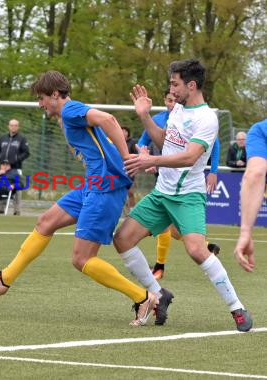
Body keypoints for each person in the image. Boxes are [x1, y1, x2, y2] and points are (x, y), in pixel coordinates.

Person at [0, 70, 161, 327]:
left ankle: (143, 298)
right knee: (45, 222)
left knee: (81, 259)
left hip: (105, 187)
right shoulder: (67, 117)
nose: (40, 104)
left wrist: (125, 156)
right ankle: (4, 279)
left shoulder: (71, 110)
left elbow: (108, 119)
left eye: (41, 98)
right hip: (92, 185)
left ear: (55, 94)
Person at [113, 59, 252, 332]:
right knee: (122, 240)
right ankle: (158, 293)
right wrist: (144, 116)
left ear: (191, 85)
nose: (171, 89)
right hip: (161, 193)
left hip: (188, 196)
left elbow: (189, 157)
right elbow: (166, 141)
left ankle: (237, 307)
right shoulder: (176, 109)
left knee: (197, 250)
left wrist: (149, 160)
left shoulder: (207, 118)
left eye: (175, 83)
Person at [137, 87, 221, 280]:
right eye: (168, 100)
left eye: (174, 100)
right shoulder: (160, 118)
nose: (171, 103)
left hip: (186, 184)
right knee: (174, 231)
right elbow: (143, 141)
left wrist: (213, 171)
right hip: (164, 175)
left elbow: (214, 145)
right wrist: (144, 154)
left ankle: (159, 267)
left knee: (168, 229)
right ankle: (206, 247)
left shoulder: (198, 118)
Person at [234, 119, 267, 272]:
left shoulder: (259, 129)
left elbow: (255, 174)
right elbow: (255, 174)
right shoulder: (260, 130)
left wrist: (245, 231)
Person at [0, 119, 30, 215]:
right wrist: (0, 158)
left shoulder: (22, 139)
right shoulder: (3, 138)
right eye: (11, 125)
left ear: (18, 127)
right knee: (1, 184)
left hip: (16, 168)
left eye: (15, 125)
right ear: (8, 126)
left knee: (17, 187)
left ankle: (17, 210)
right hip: (3, 168)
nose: (13, 127)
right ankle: (0, 208)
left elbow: (26, 153)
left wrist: (16, 160)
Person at [121, 126, 137, 215]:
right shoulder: (114, 141)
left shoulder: (132, 142)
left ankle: (132, 211)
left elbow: (136, 155)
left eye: (125, 131)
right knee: (119, 192)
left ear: (128, 133)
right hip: (117, 170)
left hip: (129, 170)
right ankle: (121, 211)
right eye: (121, 131)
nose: (123, 133)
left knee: (130, 192)